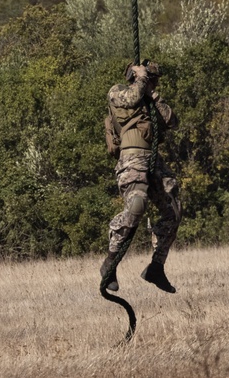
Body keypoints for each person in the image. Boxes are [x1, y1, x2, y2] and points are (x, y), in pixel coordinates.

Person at [100, 61, 181, 293]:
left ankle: (156, 266)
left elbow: (172, 121)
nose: (153, 82)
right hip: (132, 157)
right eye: (151, 77)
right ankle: (110, 262)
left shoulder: (150, 99)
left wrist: (154, 95)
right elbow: (131, 99)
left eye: (154, 79)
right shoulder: (118, 92)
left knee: (173, 210)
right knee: (137, 205)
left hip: (153, 159)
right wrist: (141, 80)